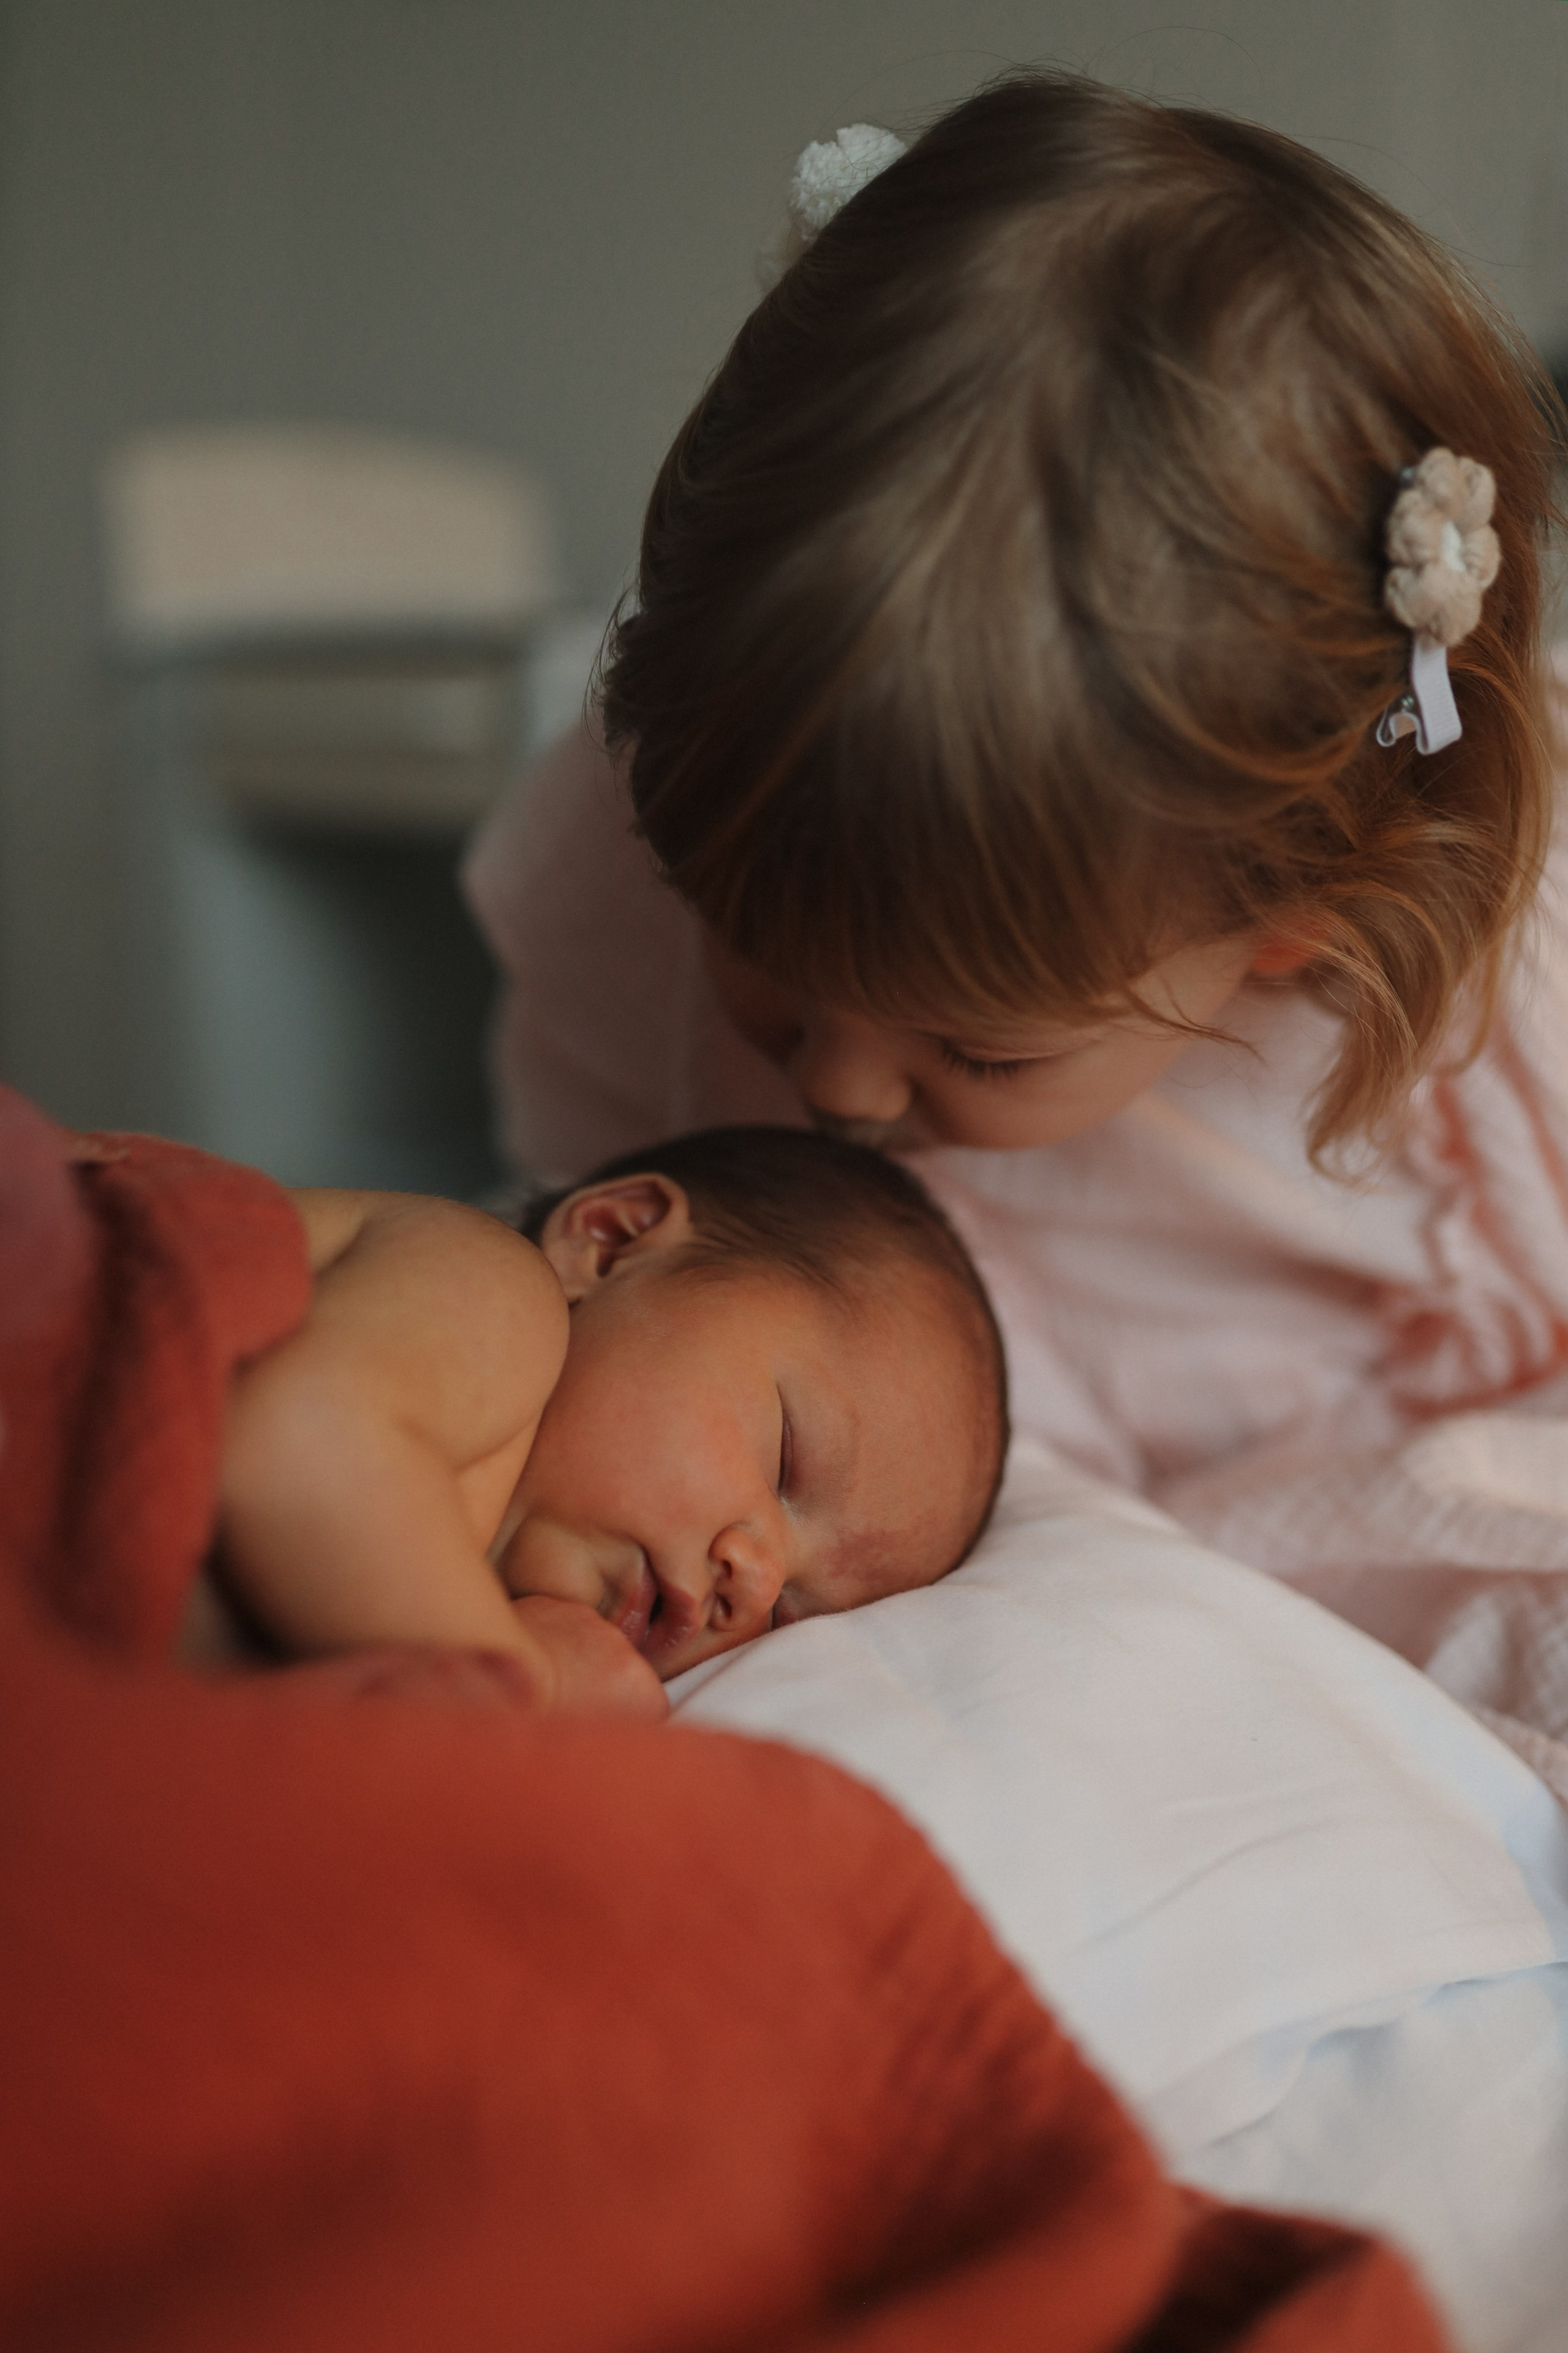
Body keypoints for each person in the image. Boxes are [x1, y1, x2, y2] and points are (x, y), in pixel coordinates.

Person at [464, 74, 1568, 1758]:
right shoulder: (629, 863)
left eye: (978, 1040)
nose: (833, 1088)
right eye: (754, 943)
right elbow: (588, 1303)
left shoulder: (1509, 954)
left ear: (1304, 914)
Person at [181, 1125, 1008, 1715]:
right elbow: (298, 1448)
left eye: (794, 1611)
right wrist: (524, 1679)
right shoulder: (489, 1289)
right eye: (787, 1460)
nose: (754, 1582)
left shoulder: (414, 1590)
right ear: (611, 1243)